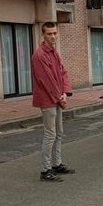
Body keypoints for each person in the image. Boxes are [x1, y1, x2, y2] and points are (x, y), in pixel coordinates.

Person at [31, 22, 75, 182]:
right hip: (47, 99)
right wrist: (60, 98)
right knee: (50, 134)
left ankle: (57, 164)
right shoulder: (40, 55)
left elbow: (62, 72)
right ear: (43, 35)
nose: (53, 36)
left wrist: (64, 93)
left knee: (59, 132)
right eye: (49, 33)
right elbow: (47, 81)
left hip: (57, 98)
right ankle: (45, 170)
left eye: (55, 33)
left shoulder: (54, 53)